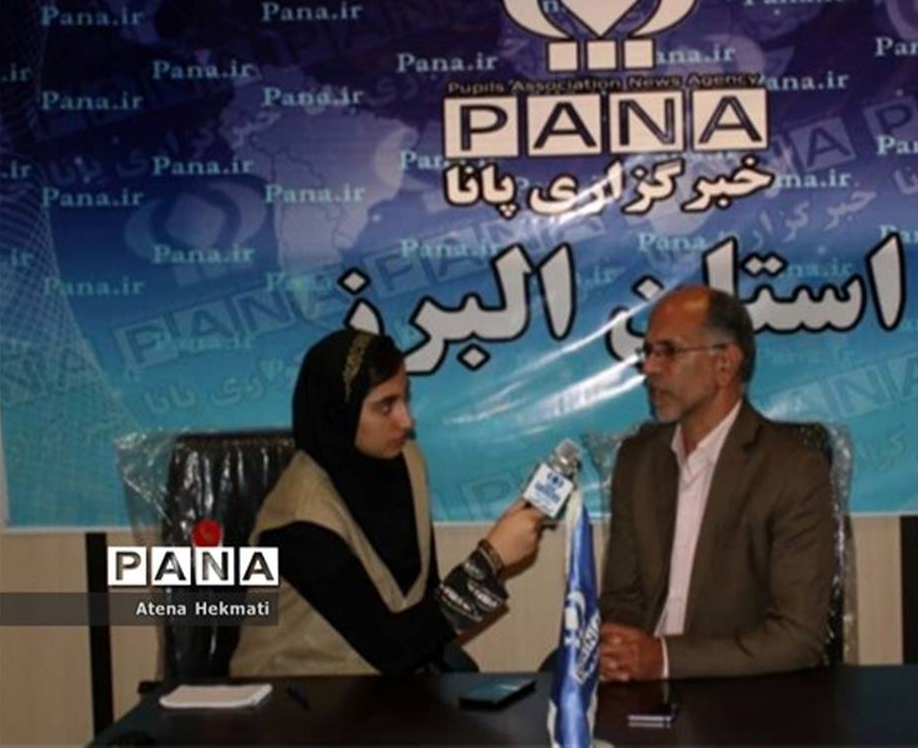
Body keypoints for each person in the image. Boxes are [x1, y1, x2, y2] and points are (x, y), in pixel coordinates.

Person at [231, 329, 544, 677]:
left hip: (383, 690)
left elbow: (426, 601)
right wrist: (491, 559)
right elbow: (391, 648)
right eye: (385, 406)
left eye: (404, 398)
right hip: (296, 696)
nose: (407, 421)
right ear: (340, 413)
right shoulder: (299, 520)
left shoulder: (407, 462)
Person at [599, 286, 835, 681]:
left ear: (724, 363)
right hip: (642, 692)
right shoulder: (637, 461)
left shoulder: (793, 470)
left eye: (668, 351)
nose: (650, 368)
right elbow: (622, 598)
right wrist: (620, 649)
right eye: (648, 352)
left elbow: (798, 638)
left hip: (742, 695)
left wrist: (664, 659)